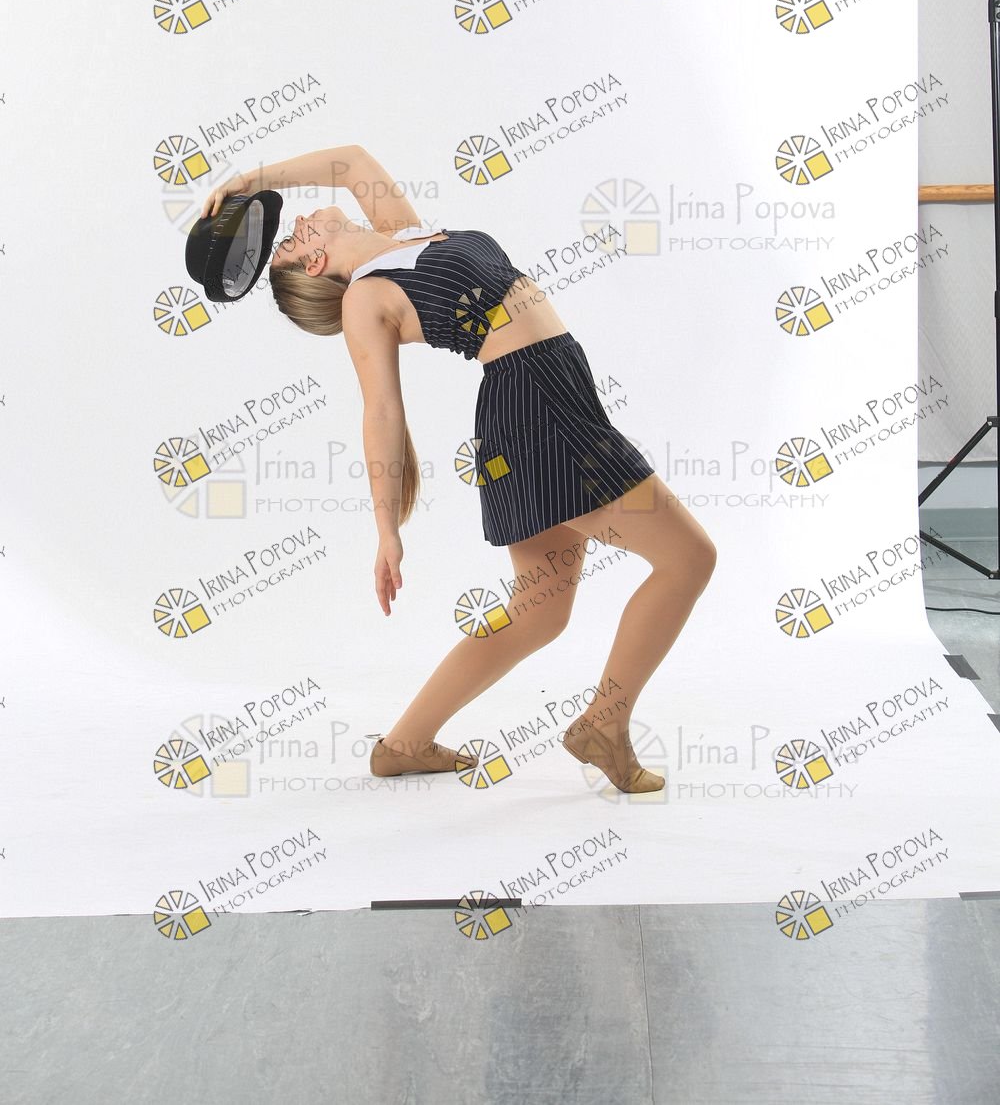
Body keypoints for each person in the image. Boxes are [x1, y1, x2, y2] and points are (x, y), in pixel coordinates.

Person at [202, 144, 717, 794]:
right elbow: (381, 412)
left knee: (539, 613)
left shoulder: (403, 237)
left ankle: (404, 745)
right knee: (688, 558)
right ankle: (603, 725)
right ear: (315, 264)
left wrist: (247, 180)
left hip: (546, 398)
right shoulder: (365, 297)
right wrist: (387, 529)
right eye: (289, 244)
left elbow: (352, 161)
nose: (297, 222)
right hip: (536, 410)